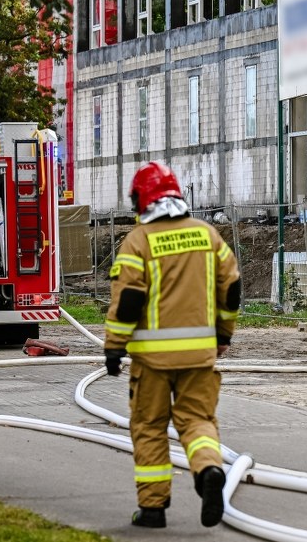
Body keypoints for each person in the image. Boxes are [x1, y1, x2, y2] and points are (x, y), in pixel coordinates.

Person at [104, 162, 241, 529]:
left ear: (143, 200)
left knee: (149, 426)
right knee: (197, 420)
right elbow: (231, 288)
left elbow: (129, 299)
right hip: (199, 355)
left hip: (151, 361)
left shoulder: (139, 241)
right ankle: (208, 469)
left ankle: (153, 509)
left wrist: (114, 347)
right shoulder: (207, 235)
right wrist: (224, 335)